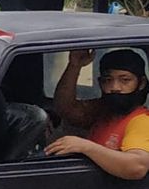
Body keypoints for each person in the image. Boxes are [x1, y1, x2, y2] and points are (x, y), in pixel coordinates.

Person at [45, 49, 149, 180]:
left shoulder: (141, 121)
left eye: (125, 80)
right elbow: (67, 109)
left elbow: (137, 167)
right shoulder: (104, 110)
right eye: (108, 80)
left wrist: (85, 147)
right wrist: (74, 66)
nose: (115, 87)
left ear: (141, 83)